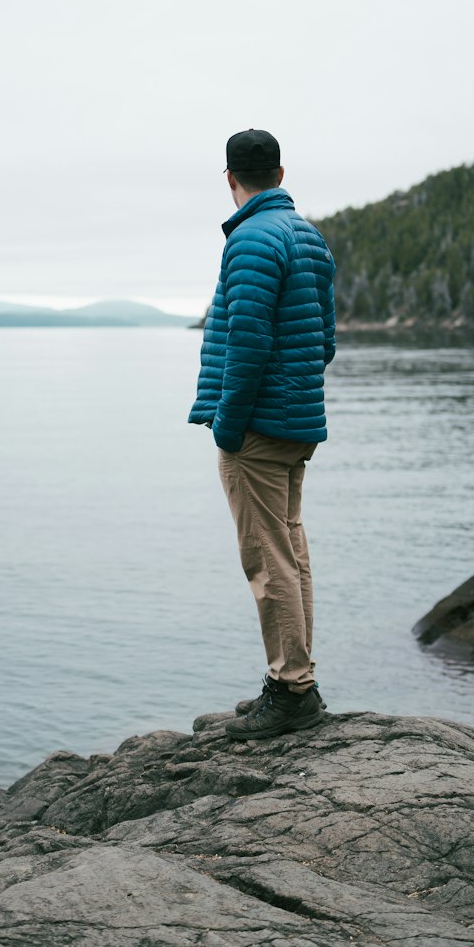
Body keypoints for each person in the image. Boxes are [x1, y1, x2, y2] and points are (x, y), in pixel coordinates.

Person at [189, 128, 337, 740]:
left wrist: (228, 425)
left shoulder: (250, 239)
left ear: (231, 179)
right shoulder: (308, 236)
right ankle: (291, 680)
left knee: (267, 557)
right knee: (291, 551)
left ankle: (293, 690)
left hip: (257, 427)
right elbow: (324, 340)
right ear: (279, 173)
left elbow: (248, 343)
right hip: (296, 423)